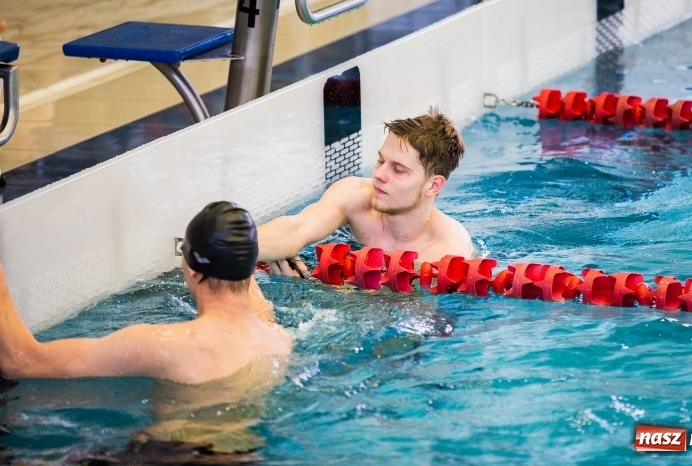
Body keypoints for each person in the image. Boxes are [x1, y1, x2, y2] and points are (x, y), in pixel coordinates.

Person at [0, 201, 293, 384]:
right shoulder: (277, 337)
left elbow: (21, 361)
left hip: (173, 455)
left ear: (191, 268)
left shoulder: (163, 345)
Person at [258, 107, 474, 276]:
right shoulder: (355, 194)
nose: (380, 174)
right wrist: (230, 246)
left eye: (398, 170)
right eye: (380, 160)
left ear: (433, 185)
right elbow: (296, 229)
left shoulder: (447, 252)